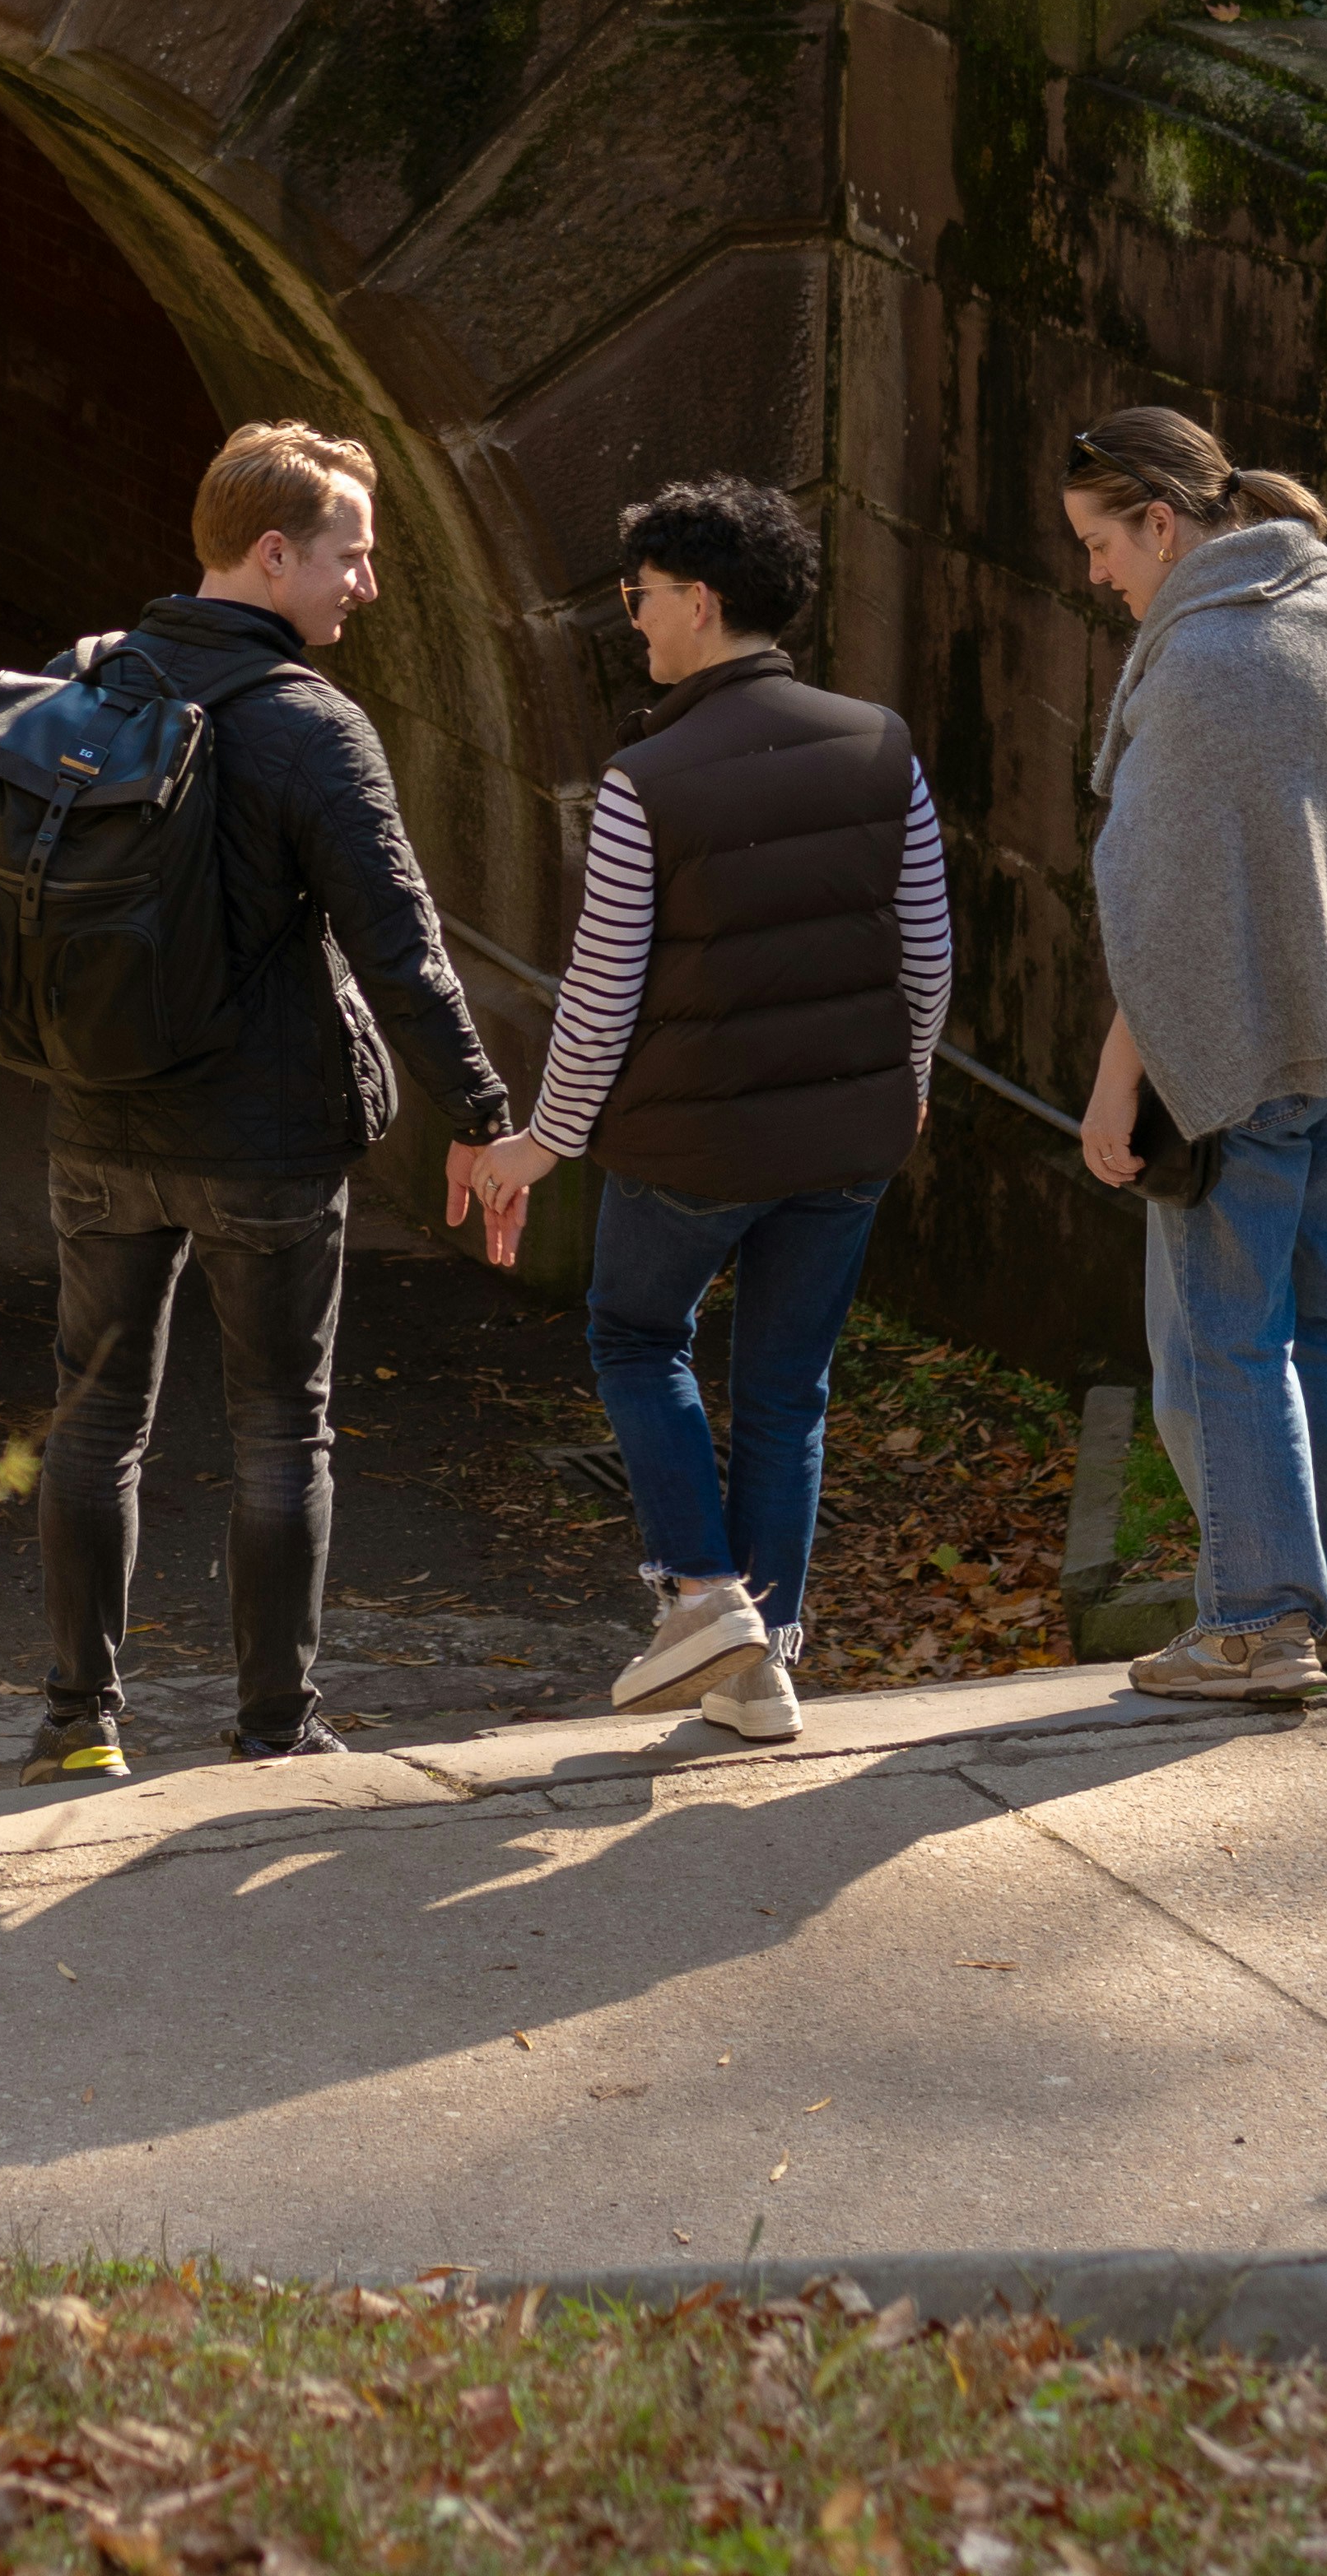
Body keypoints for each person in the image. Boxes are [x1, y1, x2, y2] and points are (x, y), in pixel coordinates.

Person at [28, 417, 516, 1788]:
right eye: (353, 557)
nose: (367, 583)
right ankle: (270, 1732)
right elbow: (401, 948)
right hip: (264, 1142)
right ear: (275, 552)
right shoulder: (311, 727)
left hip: (102, 1120)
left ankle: (77, 1725)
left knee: (95, 1413)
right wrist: (481, 1115)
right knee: (276, 1424)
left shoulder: (88, 690)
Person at [470, 477, 949, 1751]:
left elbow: (602, 994)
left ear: (699, 597)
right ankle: (761, 1668)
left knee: (637, 1338)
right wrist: (903, 1089)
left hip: (691, 1147)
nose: (632, 622)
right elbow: (928, 953)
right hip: (848, 1141)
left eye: (638, 597)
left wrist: (541, 1142)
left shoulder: (645, 780)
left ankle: (702, 1598)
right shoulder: (881, 743)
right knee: (789, 1390)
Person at [1062, 406, 1327, 1706]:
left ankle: (1251, 1627)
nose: (1096, 573)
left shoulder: (1202, 661)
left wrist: (1118, 1082)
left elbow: (1163, 911)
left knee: (1231, 1335)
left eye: (1100, 543)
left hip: (1255, 1045)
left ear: (1161, 523)